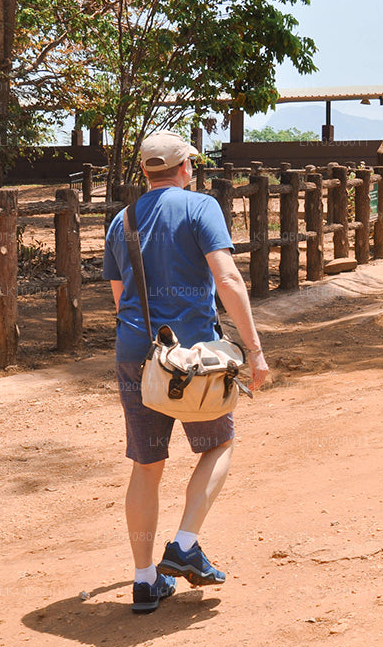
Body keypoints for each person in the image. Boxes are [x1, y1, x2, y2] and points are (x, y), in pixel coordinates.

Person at [103, 130, 270, 613]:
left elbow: (120, 298)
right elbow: (228, 279)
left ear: (145, 172)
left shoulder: (122, 220)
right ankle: (184, 544)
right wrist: (254, 351)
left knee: (147, 465)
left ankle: (143, 581)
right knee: (218, 442)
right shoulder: (201, 208)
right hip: (194, 359)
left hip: (137, 353)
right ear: (185, 169)